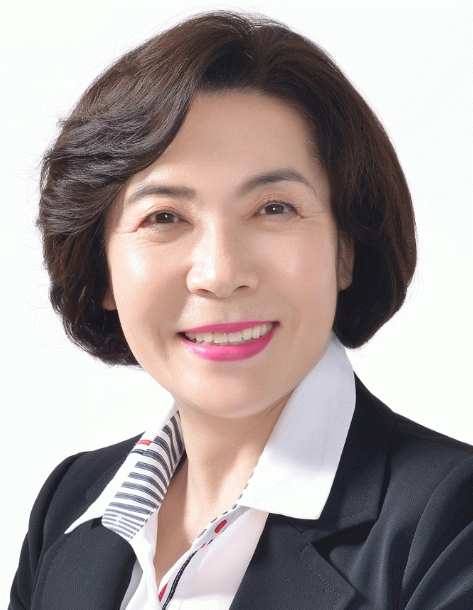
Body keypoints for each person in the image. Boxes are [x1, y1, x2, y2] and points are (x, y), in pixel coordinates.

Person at [9, 11, 472, 610]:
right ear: (102, 270)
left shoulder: (450, 524)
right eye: (164, 217)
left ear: (346, 249)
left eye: (274, 208)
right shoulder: (69, 506)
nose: (221, 273)